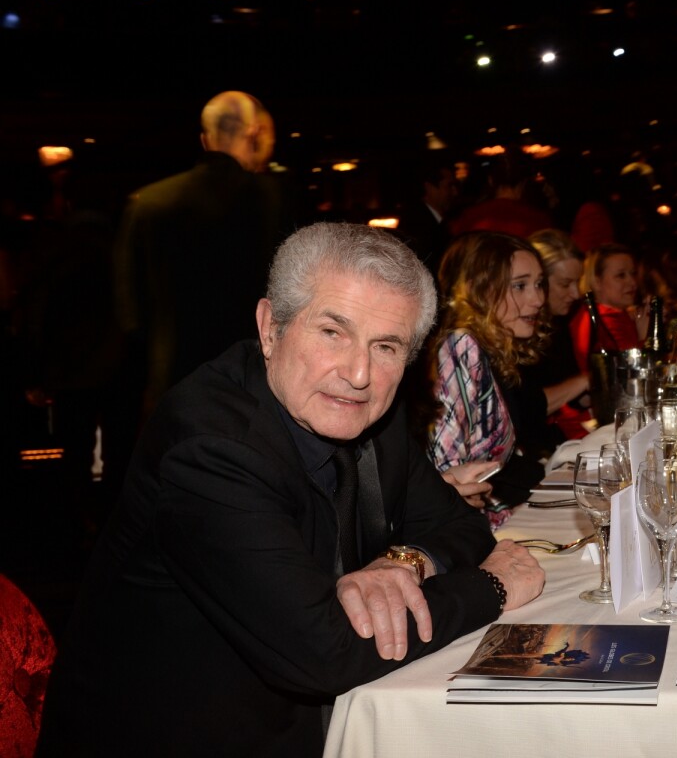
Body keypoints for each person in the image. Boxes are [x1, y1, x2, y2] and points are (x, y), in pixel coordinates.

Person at [37, 223, 545, 757]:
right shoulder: (212, 447)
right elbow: (324, 651)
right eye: (332, 332)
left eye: (386, 346)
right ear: (270, 328)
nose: (358, 372)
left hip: (309, 719)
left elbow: (458, 524)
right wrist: (492, 588)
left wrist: (404, 563)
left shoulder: (370, 413)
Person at [114, 90, 289, 419]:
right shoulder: (273, 201)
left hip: (174, 377)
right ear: (254, 133)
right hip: (255, 380)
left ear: (205, 139)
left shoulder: (150, 203)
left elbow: (130, 311)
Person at [423, 232, 551, 521]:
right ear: (477, 290)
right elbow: (450, 475)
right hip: (470, 532)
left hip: (493, 518)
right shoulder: (459, 346)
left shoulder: (492, 351)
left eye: (539, 284)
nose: (538, 298)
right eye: (519, 286)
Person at [525, 229, 590, 441]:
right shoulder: (518, 329)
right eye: (565, 284)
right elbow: (525, 408)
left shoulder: (557, 322)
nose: (576, 293)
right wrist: (586, 381)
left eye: (577, 282)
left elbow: (572, 395)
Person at [569, 243, 642, 374]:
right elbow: (628, 373)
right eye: (621, 275)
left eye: (633, 273)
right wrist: (643, 336)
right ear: (597, 282)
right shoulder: (597, 320)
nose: (632, 282)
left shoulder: (621, 314)